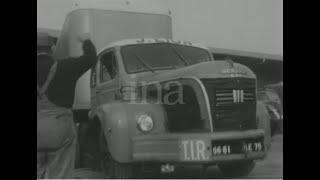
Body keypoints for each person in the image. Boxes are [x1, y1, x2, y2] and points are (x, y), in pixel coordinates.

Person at [37, 33, 97, 179]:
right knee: (61, 173)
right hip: (60, 128)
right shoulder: (67, 66)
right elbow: (91, 58)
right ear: (51, 48)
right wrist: (86, 41)